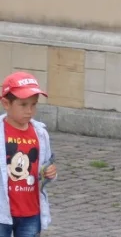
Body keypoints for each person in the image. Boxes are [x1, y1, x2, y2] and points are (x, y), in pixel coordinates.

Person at [0, 73, 55, 237]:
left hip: (31, 212)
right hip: (2, 212)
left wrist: (50, 173)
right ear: (6, 103)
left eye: (33, 105)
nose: (29, 111)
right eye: (23, 105)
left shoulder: (40, 133)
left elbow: (46, 164)